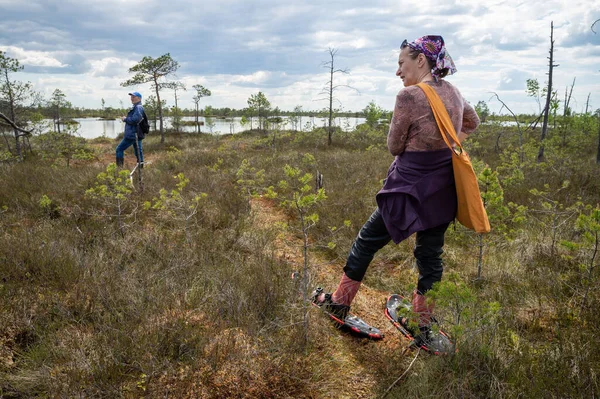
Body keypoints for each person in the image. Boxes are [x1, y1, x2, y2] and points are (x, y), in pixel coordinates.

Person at [313, 35, 480, 352]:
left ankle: (338, 303)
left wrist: (422, 149)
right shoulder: (456, 93)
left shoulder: (409, 97)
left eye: (401, 63)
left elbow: (393, 145)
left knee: (367, 240)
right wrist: (445, 144)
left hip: (408, 188)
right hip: (443, 189)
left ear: (420, 61)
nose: (398, 71)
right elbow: (473, 121)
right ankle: (422, 324)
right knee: (431, 256)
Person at [116, 91, 145, 168]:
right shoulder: (137, 107)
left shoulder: (138, 107)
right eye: (131, 97)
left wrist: (125, 119)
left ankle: (119, 168)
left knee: (119, 149)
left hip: (133, 134)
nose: (132, 98)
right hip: (136, 133)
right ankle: (141, 168)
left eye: (133, 97)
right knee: (138, 151)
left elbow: (135, 120)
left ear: (139, 98)